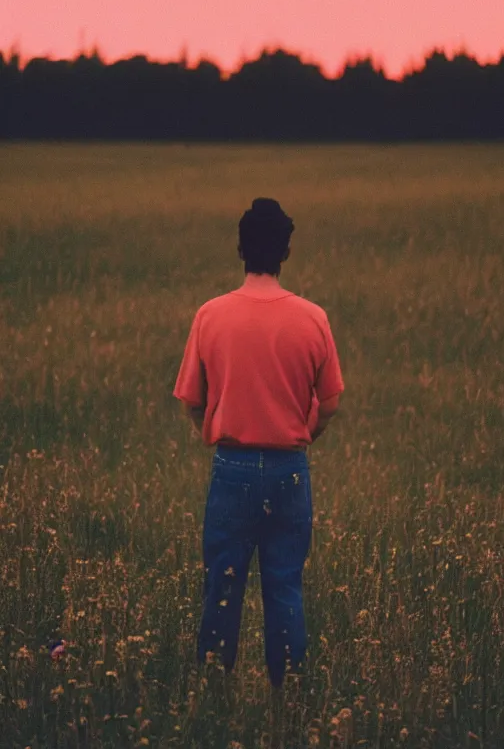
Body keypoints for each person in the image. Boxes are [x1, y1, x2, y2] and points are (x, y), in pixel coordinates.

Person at [173, 197, 344, 699]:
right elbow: (330, 402)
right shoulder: (313, 318)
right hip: (291, 468)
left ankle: (212, 691)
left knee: (222, 588)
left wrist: (217, 434)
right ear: (286, 251)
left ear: (240, 249)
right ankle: (288, 693)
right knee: (285, 585)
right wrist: (301, 434)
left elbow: (191, 401)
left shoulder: (211, 315)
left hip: (233, 466)